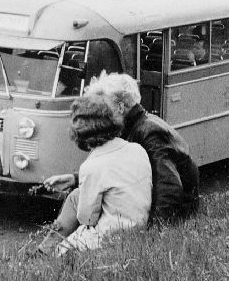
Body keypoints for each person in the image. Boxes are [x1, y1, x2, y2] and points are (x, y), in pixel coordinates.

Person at [30, 93, 151, 257]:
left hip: (110, 238)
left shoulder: (92, 166)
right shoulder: (137, 149)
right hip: (137, 228)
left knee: (59, 253)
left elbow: (87, 219)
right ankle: (43, 250)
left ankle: (45, 254)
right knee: (75, 195)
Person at [85, 72, 200, 224]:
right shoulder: (134, 126)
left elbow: (168, 185)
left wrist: (156, 228)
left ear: (120, 107)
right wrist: (75, 178)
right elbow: (110, 168)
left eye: (105, 108)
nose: (101, 113)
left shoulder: (149, 132)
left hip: (176, 211)